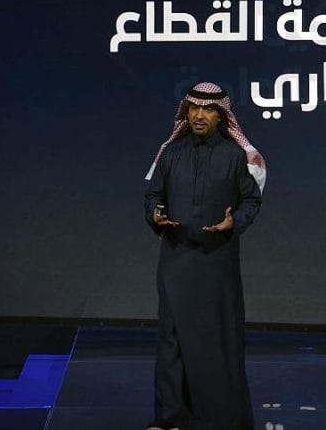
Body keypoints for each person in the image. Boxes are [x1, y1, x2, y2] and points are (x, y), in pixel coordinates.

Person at [144, 82, 265, 430]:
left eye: (208, 109)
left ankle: (221, 417)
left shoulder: (235, 156)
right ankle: (168, 417)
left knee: (218, 337)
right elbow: (152, 195)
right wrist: (155, 214)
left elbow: (251, 200)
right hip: (176, 258)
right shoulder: (170, 153)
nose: (199, 115)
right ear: (186, 112)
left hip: (217, 261)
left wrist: (234, 222)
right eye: (194, 108)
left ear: (220, 115)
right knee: (171, 338)